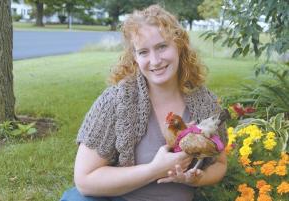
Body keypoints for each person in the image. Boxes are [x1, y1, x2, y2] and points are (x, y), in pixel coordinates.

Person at [61, 4, 227, 201]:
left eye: (162, 46)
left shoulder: (204, 102)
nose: (155, 61)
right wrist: (155, 169)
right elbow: (85, 180)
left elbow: (219, 163)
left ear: (179, 46)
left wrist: (197, 179)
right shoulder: (116, 101)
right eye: (143, 52)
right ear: (134, 57)